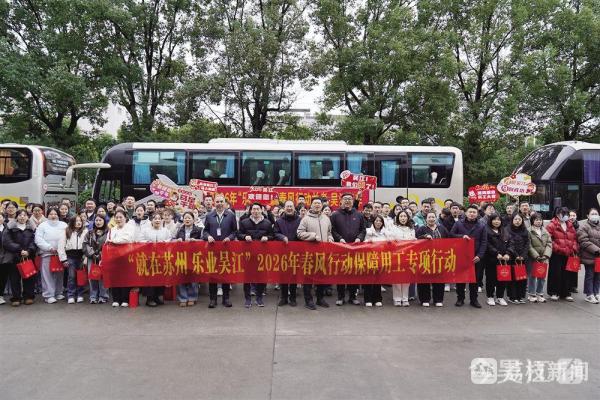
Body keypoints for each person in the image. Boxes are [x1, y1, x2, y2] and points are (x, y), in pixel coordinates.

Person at [297, 197, 334, 310]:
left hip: (323, 253)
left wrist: (330, 238)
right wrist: (313, 236)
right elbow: (299, 233)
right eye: (315, 203)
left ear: (322, 205)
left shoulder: (326, 218)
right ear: (311, 205)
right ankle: (308, 300)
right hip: (309, 253)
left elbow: (329, 232)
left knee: (321, 277)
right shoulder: (305, 219)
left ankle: (320, 298)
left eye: (319, 203)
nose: (317, 205)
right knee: (308, 278)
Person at [330, 193, 366, 306]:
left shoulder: (359, 214)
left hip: (355, 249)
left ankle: (352, 297)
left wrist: (359, 238)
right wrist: (339, 239)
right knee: (341, 273)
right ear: (340, 201)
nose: (347, 201)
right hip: (340, 249)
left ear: (353, 201)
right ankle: (340, 297)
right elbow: (332, 230)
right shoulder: (335, 215)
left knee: (353, 274)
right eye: (345, 199)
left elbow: (363, 230)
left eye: (349, 199)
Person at [203, 194, 237, 308]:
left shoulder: (231, 215)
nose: (219, 204)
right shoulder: (209, 216)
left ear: (225, 203)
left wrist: (229, 238)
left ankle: (226, 298)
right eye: (217, 202)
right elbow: (205, 231)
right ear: (214, 203)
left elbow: (235, 231)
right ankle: (213, 299)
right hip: (212, 250)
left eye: (221, 201)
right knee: (212, 275)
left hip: (226, 250)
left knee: (225, 275)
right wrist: (208, 236)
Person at [450, 205, 487, 308]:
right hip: (461, 255)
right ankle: (460, 299)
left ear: (477, 214)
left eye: (474, 212)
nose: (472, 214)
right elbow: (451, 234)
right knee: (461, 279)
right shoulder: (458, 223)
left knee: (474, 280)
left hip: (476, 257)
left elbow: (484, 242)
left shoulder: (482, 225)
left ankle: (474, 300)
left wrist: (480, 255)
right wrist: (461, 236)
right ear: (466, 213)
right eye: (470, 212)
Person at [238, 202, 274, 308]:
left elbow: (272, 235)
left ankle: (259, 298)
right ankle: (247, 299)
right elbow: (238, 234)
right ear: (251, 210)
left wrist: (267, 238)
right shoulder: (244, 222)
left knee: (261, 277)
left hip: (262, 255)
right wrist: (244, 237)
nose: (256, 211)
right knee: (247, 278)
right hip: (248, 255)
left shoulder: (267, 223)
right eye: (254, 209)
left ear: (262, 210)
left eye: (258, 209)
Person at [2, 210, 37, 306]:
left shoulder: (32, 228)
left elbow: (35, 241)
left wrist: (29, 251)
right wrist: (19, 250)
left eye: (24, 215)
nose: (22, 217)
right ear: (16, 217)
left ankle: (28, 297)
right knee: (14, 278)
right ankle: (16, 298)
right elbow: (7, 241)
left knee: (29, 276)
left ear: (27, 217)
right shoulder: (10, 228)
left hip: (29, 256)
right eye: (20, 215)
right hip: (14, 256)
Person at [416, 211, 449, 307]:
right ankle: (424, 299)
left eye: (433, 217)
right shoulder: (421, 229)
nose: (431, 219)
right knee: (424, 279)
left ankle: (438, 299)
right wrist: (424, 236)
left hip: (439, 257)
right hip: (425, 257)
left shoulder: (442, 228)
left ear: (436, 218)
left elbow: (449, 240)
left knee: (439, 279)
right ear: (426, 219)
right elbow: (415, 239)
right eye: (429, 217)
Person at [35, 207, 68, 304]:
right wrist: (49, 247)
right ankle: (48, 295)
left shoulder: (64, 225)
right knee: (47, 275)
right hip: (47, 254)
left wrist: (62, 249)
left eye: (55, 214)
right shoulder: (42, 225)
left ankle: (58, 292)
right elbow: (38, 239)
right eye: (51, 214)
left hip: (60, 254)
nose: (53, 216)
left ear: (58, 215)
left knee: (59, 274)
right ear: (47, 215)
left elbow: (68, 237)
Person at [546, 207, 579, 301]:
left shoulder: (570, 225)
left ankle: (566, 293)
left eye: (567, 214)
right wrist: (558, 248)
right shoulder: (552, 225)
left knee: (567, 273)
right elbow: (548, 239)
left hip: (568, 253)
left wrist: (573, 248)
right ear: (557, 214)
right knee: (555, 273)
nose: (565, 216)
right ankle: (554, 292)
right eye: (563, 214)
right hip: (556, 254)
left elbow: (574, 238)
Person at [274, 200, 301, 307]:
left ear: (294, 208)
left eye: (291, 206)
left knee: (294, 276)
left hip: (296, 252)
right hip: (283, 252)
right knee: (283, 276)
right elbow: (275, 233)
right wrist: (282, 237)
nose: (289, 208)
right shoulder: (279, 221)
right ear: (284, 208)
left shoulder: (300, 220)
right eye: (287, 206)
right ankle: (283, 297)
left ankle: (293, 298)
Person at [140, 212, 171, 307]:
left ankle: (157, 296)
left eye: (159, 219)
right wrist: (148, 243)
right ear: (151, 220)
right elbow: (140, 240)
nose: (157, 220)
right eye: (155, 218)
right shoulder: (145, 230)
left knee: (160, 277)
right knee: (149, 278)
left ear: (162, 220)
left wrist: (164, 242)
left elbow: (170, 239)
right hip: (148, 258)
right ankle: (149, 298)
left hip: (161, 257)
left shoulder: (165, 230)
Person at [105, 210, 134, 307]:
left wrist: (113, 241)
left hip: (126, 256)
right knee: (115, 277)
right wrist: (111, 241)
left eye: (121, 217)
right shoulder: (112, 229)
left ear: (125, 218)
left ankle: (125, 299)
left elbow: (127, 239)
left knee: (125, 278)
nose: (118, 219)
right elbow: (107, 241)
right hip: (114, 257)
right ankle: (116, 299)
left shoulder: (130, 228)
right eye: (116, 217)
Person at [58, 215, 88, 304]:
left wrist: (86, 257)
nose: (78, 223)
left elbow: (88, 245)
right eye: (76, 221)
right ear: (72, 222)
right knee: (71, 277)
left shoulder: (85, 231)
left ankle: (80, 294)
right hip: (70, 256)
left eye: (80, 221)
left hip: (81, 256)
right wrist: (63, 259)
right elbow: (61, 246)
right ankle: (71, 295)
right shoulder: (66, 231)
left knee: (80, 276)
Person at [174, 212, 203, 307]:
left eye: (189, 218)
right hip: (181, 256)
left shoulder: (199, 230)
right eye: (185, 218)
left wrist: (196, 241)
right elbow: (172, 240)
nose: (187, 219)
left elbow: (204, 241)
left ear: (193, 220)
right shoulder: (179, 230)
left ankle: (192, 297)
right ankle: (182, 298)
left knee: (193, 277)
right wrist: (177, 240)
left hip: (194, 257)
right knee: (181, 277)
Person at [390, 210, 415, 306]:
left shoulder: (411, 229)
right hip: (396, 256)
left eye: (405, 216)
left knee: (406, 278)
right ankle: (397, 298)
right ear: (398, 218)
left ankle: (405, 298)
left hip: (408, 256)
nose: (403, 218)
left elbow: (413, 242)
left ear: (408, 218)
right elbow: (391, 241)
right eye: (401, 216)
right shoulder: (393, 228)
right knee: (397, 277)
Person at [483, 214, 510, 306]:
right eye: (494, 219)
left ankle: (500, 297)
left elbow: (511, 243)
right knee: (491, 278)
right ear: (490, 221)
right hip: (491, 259)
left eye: (498, 220)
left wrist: (508, 253)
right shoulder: (486, 230)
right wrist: (496, 253)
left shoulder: (505, 231)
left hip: (503, 259)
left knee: (502, 278)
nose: (496, 221)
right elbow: (487, 244)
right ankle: (490, 297)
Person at [363, 215, 389, 307]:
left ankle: (377, 299)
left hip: (381, 258)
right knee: (369, 279)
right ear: (373, 222)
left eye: (380, 221)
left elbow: (389, 244)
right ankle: (368, 299)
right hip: (369, 258)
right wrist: (368, 242)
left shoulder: (385, 232)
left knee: (378, 279)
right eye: (376, 221)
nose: (378, 222)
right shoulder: (368, 231)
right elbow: (363, 244)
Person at [83, 215, 109, 304]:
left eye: (100, 220)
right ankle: (93, 296)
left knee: (103, 277)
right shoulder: (90, 233)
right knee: (92, 276)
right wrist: (93, 254)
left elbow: (109, 244)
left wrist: (101, 254)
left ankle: (103, 296)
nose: (98, 222)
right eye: (96, 220)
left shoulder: (108, 232)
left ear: (104, 221)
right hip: (92, 258)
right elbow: (85, 244)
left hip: (104, 258)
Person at [577, 208, 600, 304]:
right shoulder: (584, 226)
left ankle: (596, 293)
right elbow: (583, 241)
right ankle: (589, 294)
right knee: (590, 275)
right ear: (588, 216)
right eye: (592, 214)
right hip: (589, 255)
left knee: (598, 275)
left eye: (596, 213)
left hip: (599, 257)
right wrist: (597, 250)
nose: (594, 215)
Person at [506, 214, 530, 304]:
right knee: (513, 278)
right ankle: (512, 297)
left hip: (523, 258)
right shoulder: (507, 230)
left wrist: (523, 255)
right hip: (512, 257)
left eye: (519, 219)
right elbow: (509, 244)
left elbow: (527, 243)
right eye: (515, 219)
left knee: (522, 278)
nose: (517, 221)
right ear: (512, 220)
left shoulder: (525, 230)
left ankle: (520, 296)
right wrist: (516, 255)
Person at [527, 213, 552, 303]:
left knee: (542, 276)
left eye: (540, 220)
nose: (538, 221)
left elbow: (549, 244)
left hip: (544, 258)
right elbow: (528, 245)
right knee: (532, 276)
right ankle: (531, 294)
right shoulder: (529, 231)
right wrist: (536, 256)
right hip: (533, 257)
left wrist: (546, 255)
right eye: (536, 220)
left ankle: (539, 293)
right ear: (532, 221)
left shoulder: (545, 231)